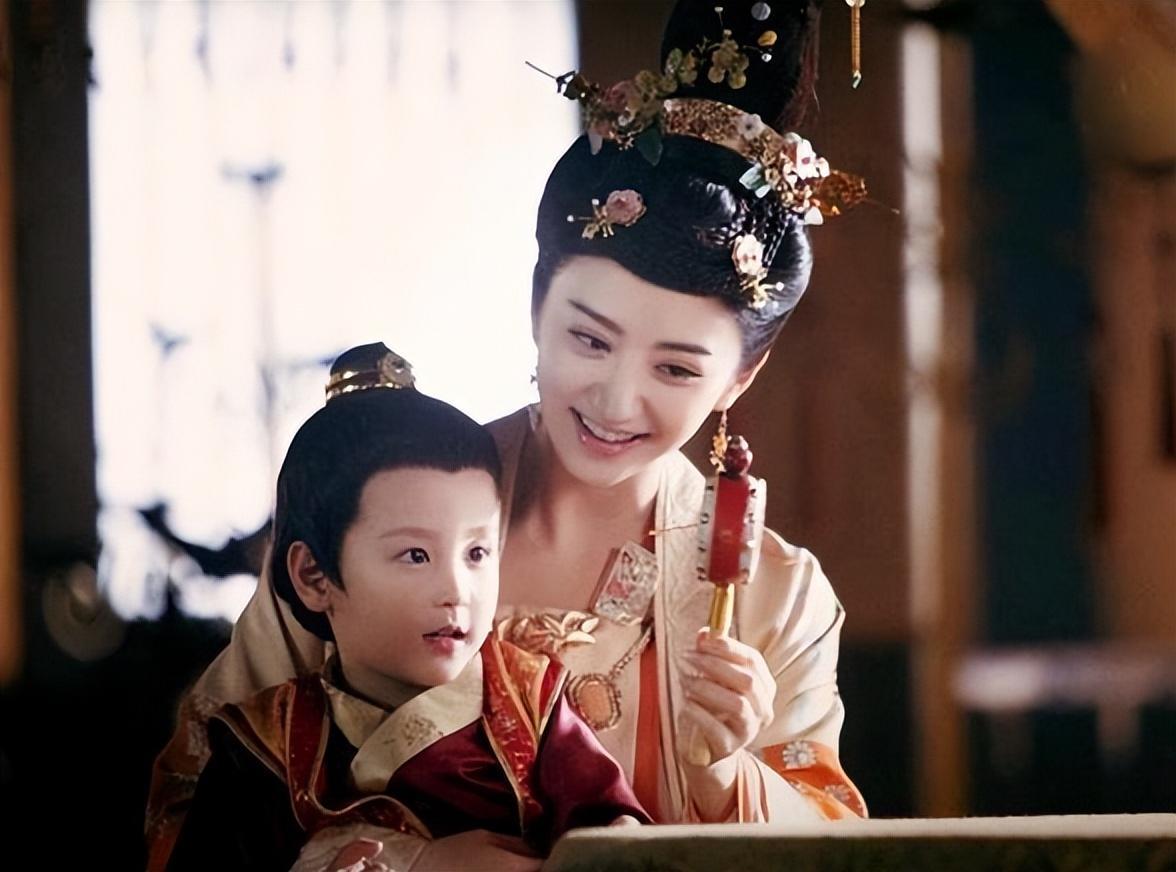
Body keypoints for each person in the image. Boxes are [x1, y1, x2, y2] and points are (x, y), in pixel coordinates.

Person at [148, 1, 867, 868]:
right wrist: (397, 864)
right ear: (535, 307)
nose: (617, 399)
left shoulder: (774, 597)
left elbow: (847, 854)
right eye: (588, 340)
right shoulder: (380, 497)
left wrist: (725, 778)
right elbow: (191, 799)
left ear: (740, 378)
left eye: (676, 369)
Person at [164, 344, 648, 872]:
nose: (456, 589)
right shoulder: (265, 743)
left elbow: (614, 834)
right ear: (314, 576)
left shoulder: (531, 703)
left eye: (477, 553)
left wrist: (616, 839)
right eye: (416, 555)